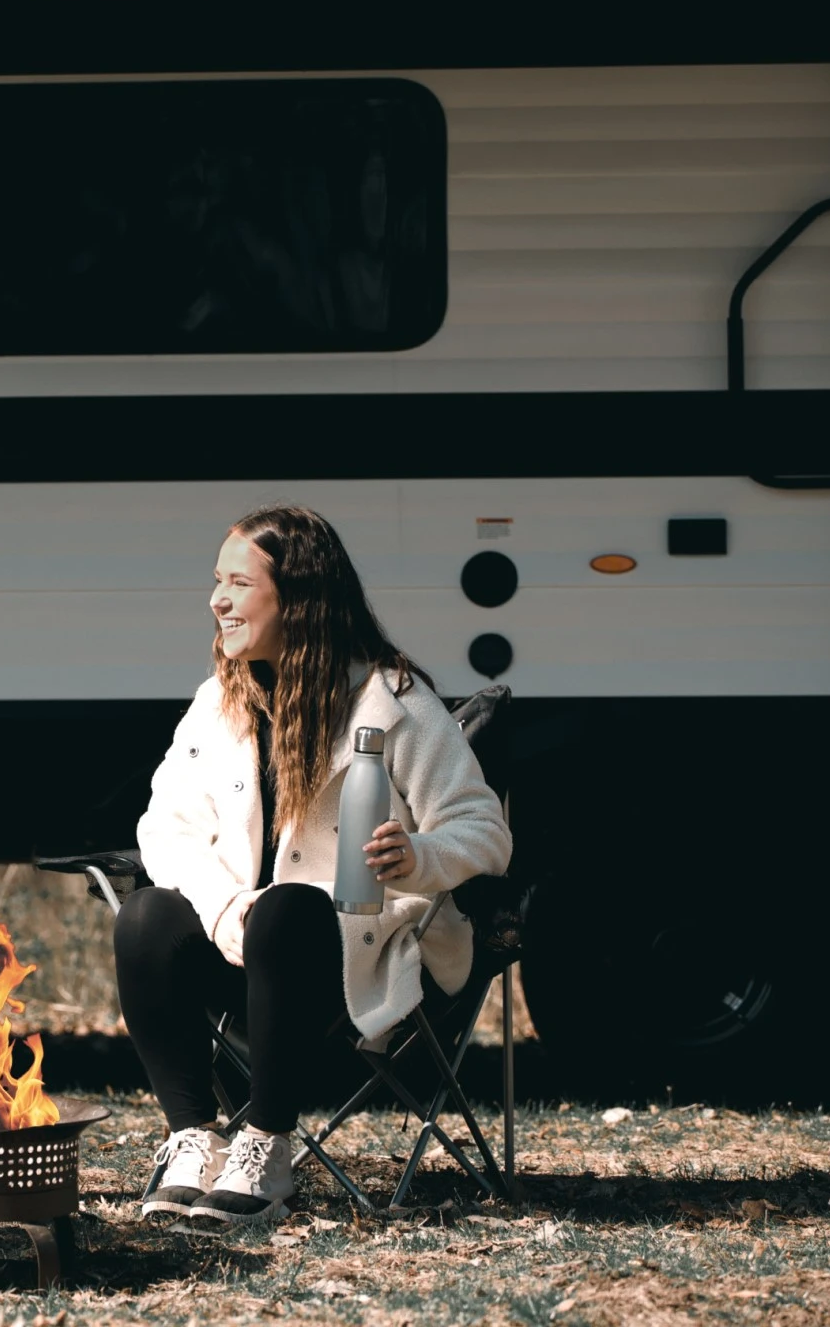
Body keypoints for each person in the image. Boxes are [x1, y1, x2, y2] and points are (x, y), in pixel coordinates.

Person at [117, 504, 511, 1226]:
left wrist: (419, 856)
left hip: (351, 950)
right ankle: (193, 1137)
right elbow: (163, 829)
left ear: (296, 598)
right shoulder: (218, 704)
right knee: (144, 916)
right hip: (241, 942)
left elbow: (484, 831)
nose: (217, 601)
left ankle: (265, 1146)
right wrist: (223, 907)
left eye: (238, 583)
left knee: (290, 907)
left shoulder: (394, 701)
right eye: (217, 582)